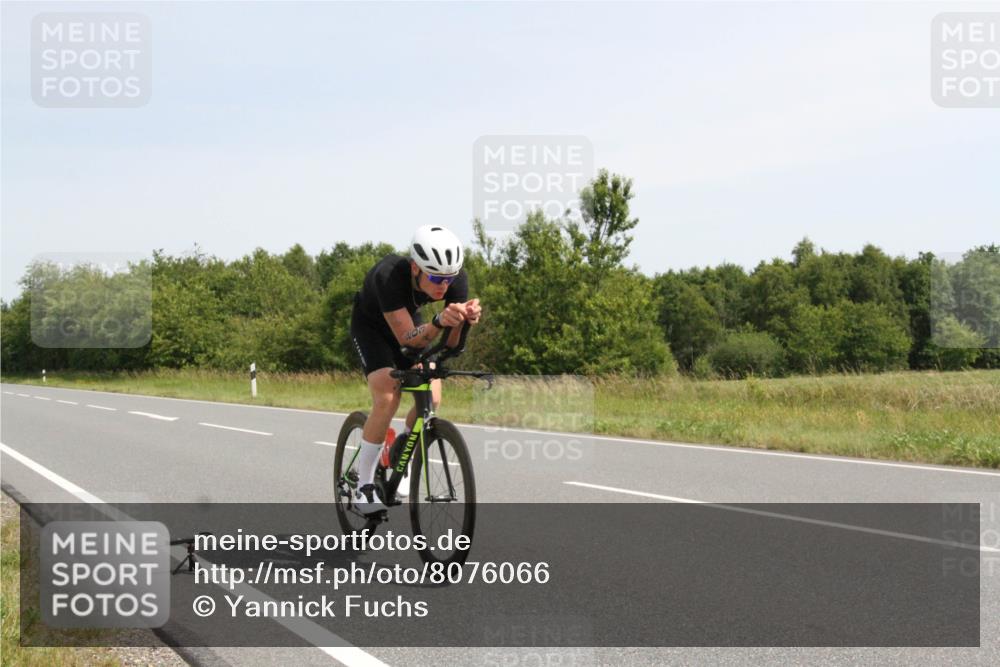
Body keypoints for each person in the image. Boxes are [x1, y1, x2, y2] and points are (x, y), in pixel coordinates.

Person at [349, 225, 482, 514]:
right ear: (414, 268)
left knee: (431, 394)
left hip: (412, 323)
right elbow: (407, 340)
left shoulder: (455, 279)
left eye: (448, 279)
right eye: (434, 277)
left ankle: (402, 453)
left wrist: (463, 322)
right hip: (372, 328)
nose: (442, 286)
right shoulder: (389, 275)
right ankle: (364, 486)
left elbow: (451, 347)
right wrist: (438, 321)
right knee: (387, 395)